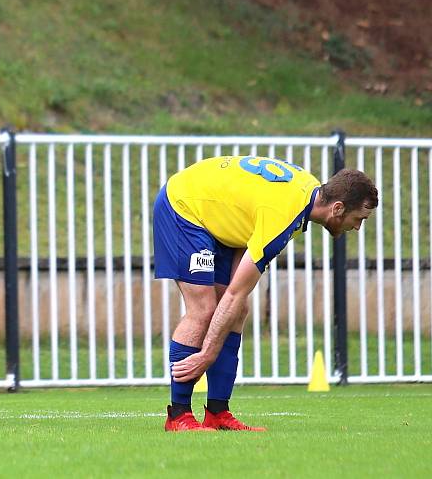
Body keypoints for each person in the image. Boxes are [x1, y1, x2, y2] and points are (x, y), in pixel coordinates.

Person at [154, 155, 378, 431]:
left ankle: (218, 413)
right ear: (338, 208)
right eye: (359, 219)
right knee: (203, 309)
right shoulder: (284, 215)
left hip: (219, 214)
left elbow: (237, 294)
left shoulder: (307, 195)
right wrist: (207, 354)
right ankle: (178, 415)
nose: (357, 227)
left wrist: (213, 346)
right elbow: (235, 293)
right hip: (185, 206)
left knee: (237, 311)